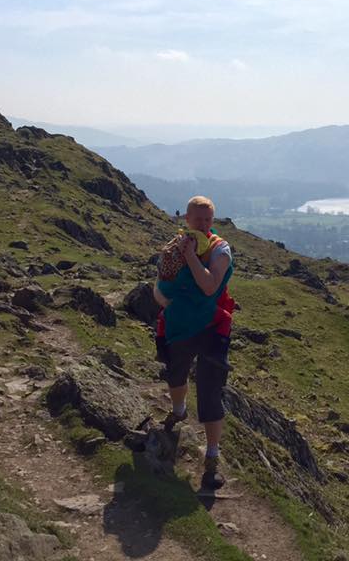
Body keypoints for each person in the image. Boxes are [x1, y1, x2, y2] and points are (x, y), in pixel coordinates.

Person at [153, 195, 235, 490]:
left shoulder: (220, 249)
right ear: (186, 219)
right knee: (175, 373)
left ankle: (211, 459)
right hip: (178, 325)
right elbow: (162, 284)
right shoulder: (174, 246)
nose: (203, 224)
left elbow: (210, 285)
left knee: (210, 392)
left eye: (208, 219)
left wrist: (189, 257)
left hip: (213, 326)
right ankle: (178, 411)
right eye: (198, 219)